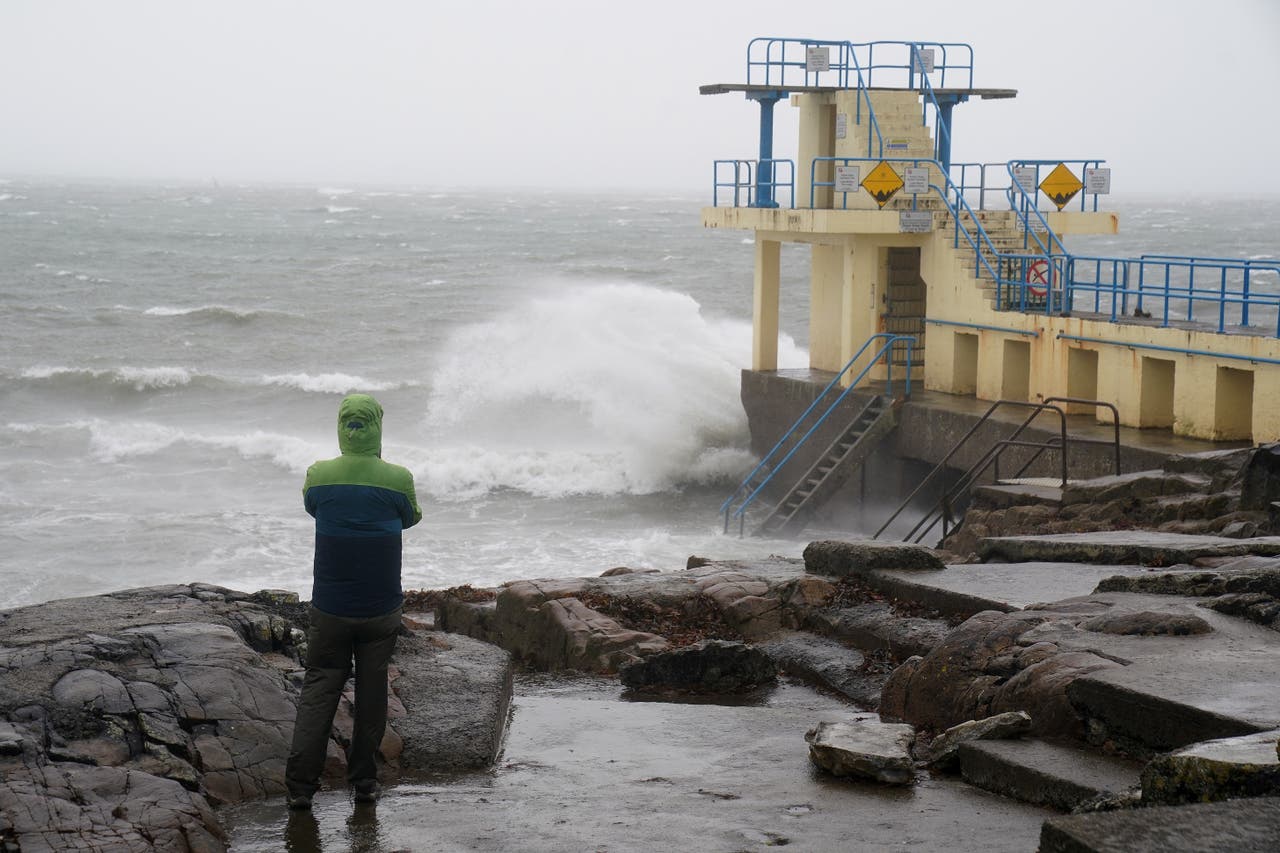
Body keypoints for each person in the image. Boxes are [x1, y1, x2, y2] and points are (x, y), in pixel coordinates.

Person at [286, 393, 422, 809]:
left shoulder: (320, 475)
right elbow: (411, 517)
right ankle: (364, 782)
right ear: (378, 427)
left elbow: (312, 507)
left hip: (329, 606)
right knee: (372, 691)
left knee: (319, 690)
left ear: (341, 426)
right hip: (380, 608)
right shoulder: (398, 477)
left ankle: (300, 790)